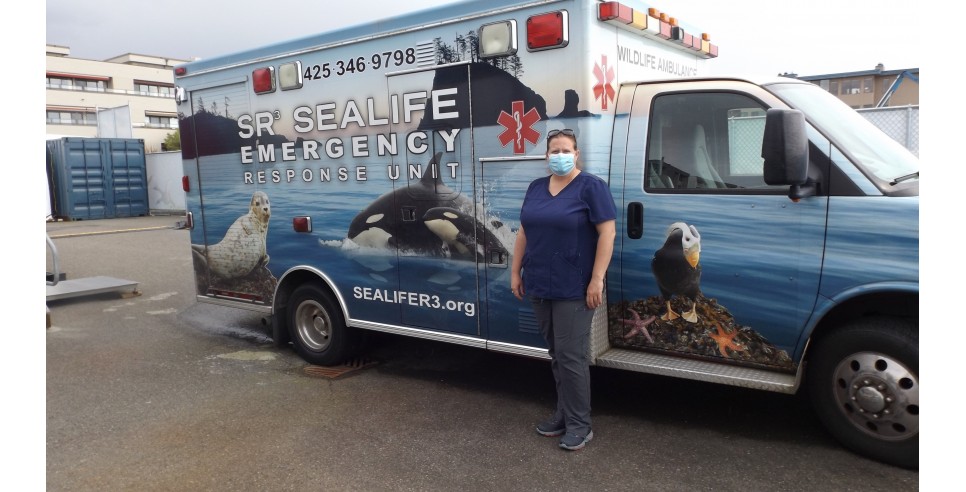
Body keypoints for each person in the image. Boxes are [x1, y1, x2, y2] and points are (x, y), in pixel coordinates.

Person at [510, 128, 617, 451]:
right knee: (557, 354)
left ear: (576, 153)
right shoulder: (536, 188)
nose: (560, 155)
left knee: (572, 356)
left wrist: (597, 279)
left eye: (566, 150)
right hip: (540, 282)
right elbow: (523, 233)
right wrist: (515, 271)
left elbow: (607, 234)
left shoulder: (591, 187)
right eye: (554, 150)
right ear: (546, 156)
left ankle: (580, 425)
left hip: (575, 286)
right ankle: (563, 413)